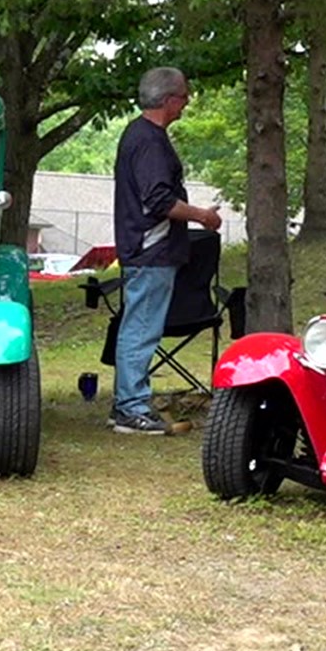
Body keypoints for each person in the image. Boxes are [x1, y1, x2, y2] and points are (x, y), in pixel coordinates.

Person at [110, 67, 221, 435]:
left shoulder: (138, 136)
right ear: (170, 99)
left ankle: (128, 403)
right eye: (185, 97)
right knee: (141, 329)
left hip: (147, 248)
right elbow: (158, 200)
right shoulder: (149, 141)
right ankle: (131, 408)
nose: (186, 104)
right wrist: (201, 216)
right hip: (151, 248)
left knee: (139, 326)